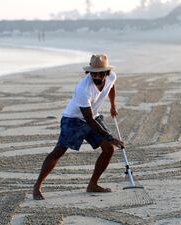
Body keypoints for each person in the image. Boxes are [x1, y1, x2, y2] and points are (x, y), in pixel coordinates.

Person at [33, 54, 125, 200]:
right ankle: (37, 186)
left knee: (108, 149)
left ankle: (92, 184)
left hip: (92, 117)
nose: (97, 76)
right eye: (94, 73)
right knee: (59, 151)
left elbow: (111, 86)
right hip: (73, 119)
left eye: (101, 73)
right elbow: (88, 119)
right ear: (90, 72)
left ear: (106, 72)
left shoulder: (111, 76)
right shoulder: (84, 88)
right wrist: (108, 136)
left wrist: (113, 105)